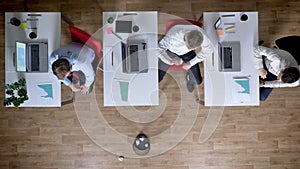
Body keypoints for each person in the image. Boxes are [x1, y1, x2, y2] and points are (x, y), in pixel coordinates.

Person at [157, 24, 213, 92]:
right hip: (171, 53)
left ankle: (189, 79)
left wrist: (190, 63)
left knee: (198, 81)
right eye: (188, 46)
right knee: (157, 78)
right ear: (186, 37)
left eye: (193, 48)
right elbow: (159, 49)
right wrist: (170, 61)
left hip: (187, 54)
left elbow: (208, 51)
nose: (190, 48)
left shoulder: (202, 37)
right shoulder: (173, 37)